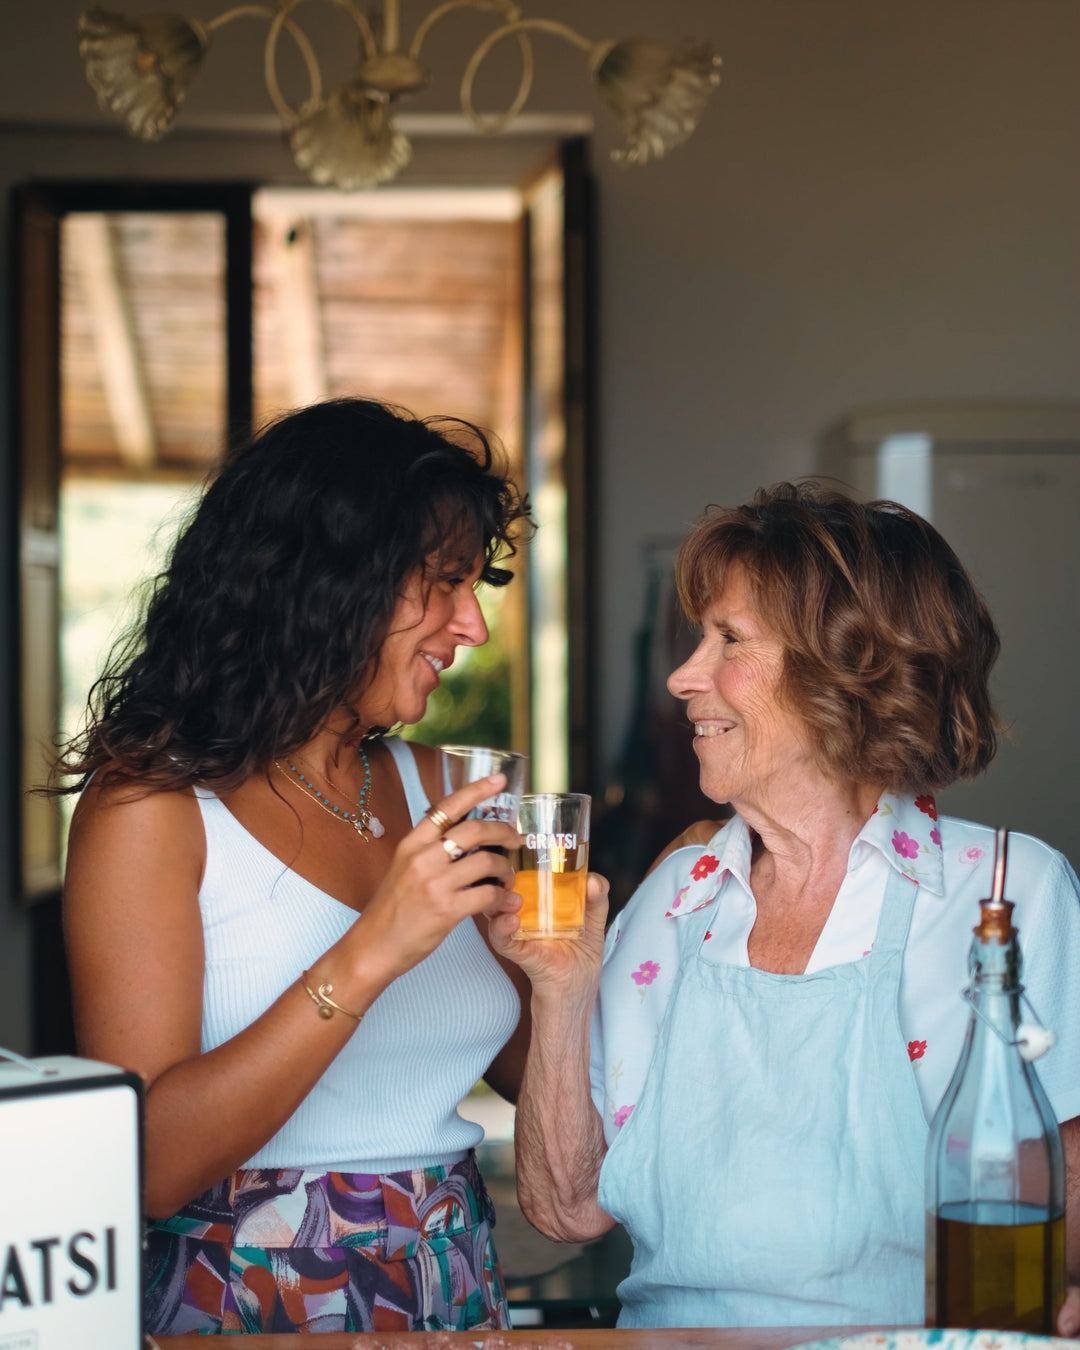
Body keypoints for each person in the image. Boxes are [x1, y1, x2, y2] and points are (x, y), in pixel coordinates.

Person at [493, 481, 1080, 1331]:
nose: (682, 675)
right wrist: (559, 989)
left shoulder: (1003, 894)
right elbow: (568, 1208)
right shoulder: (681, 894)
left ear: (847, 667)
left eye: (728, 638)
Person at [57, 397, 533, 1335]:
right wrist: (371, 951)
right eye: (441, 581)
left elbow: (541, 1077)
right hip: (247, 1299)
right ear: (325, 580)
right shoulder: (152, 809)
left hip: (458, 1282)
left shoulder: (449, 789)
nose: (470, 625)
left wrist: (566, 967)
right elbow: (150, 1164)